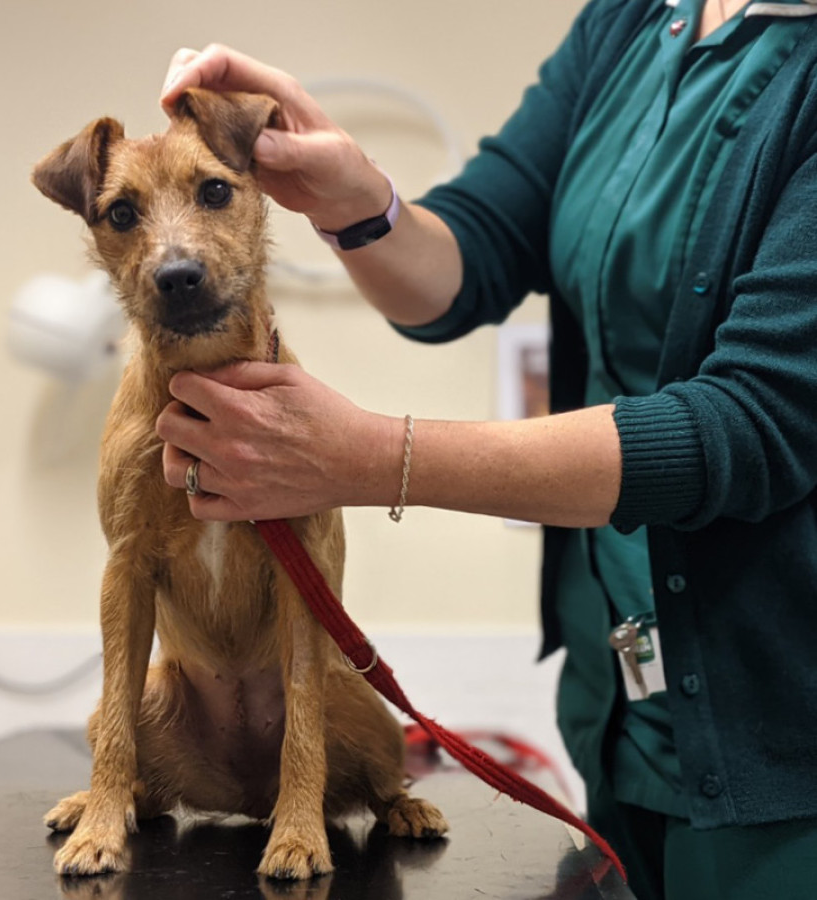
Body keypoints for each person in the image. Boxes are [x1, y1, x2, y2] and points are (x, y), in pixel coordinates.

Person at [153, 1, 817, 898]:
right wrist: (357, 199)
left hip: (782, 726)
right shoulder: (636, 19)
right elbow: (479, 248)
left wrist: (372, 458)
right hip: (620, 700)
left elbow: (753, 425)